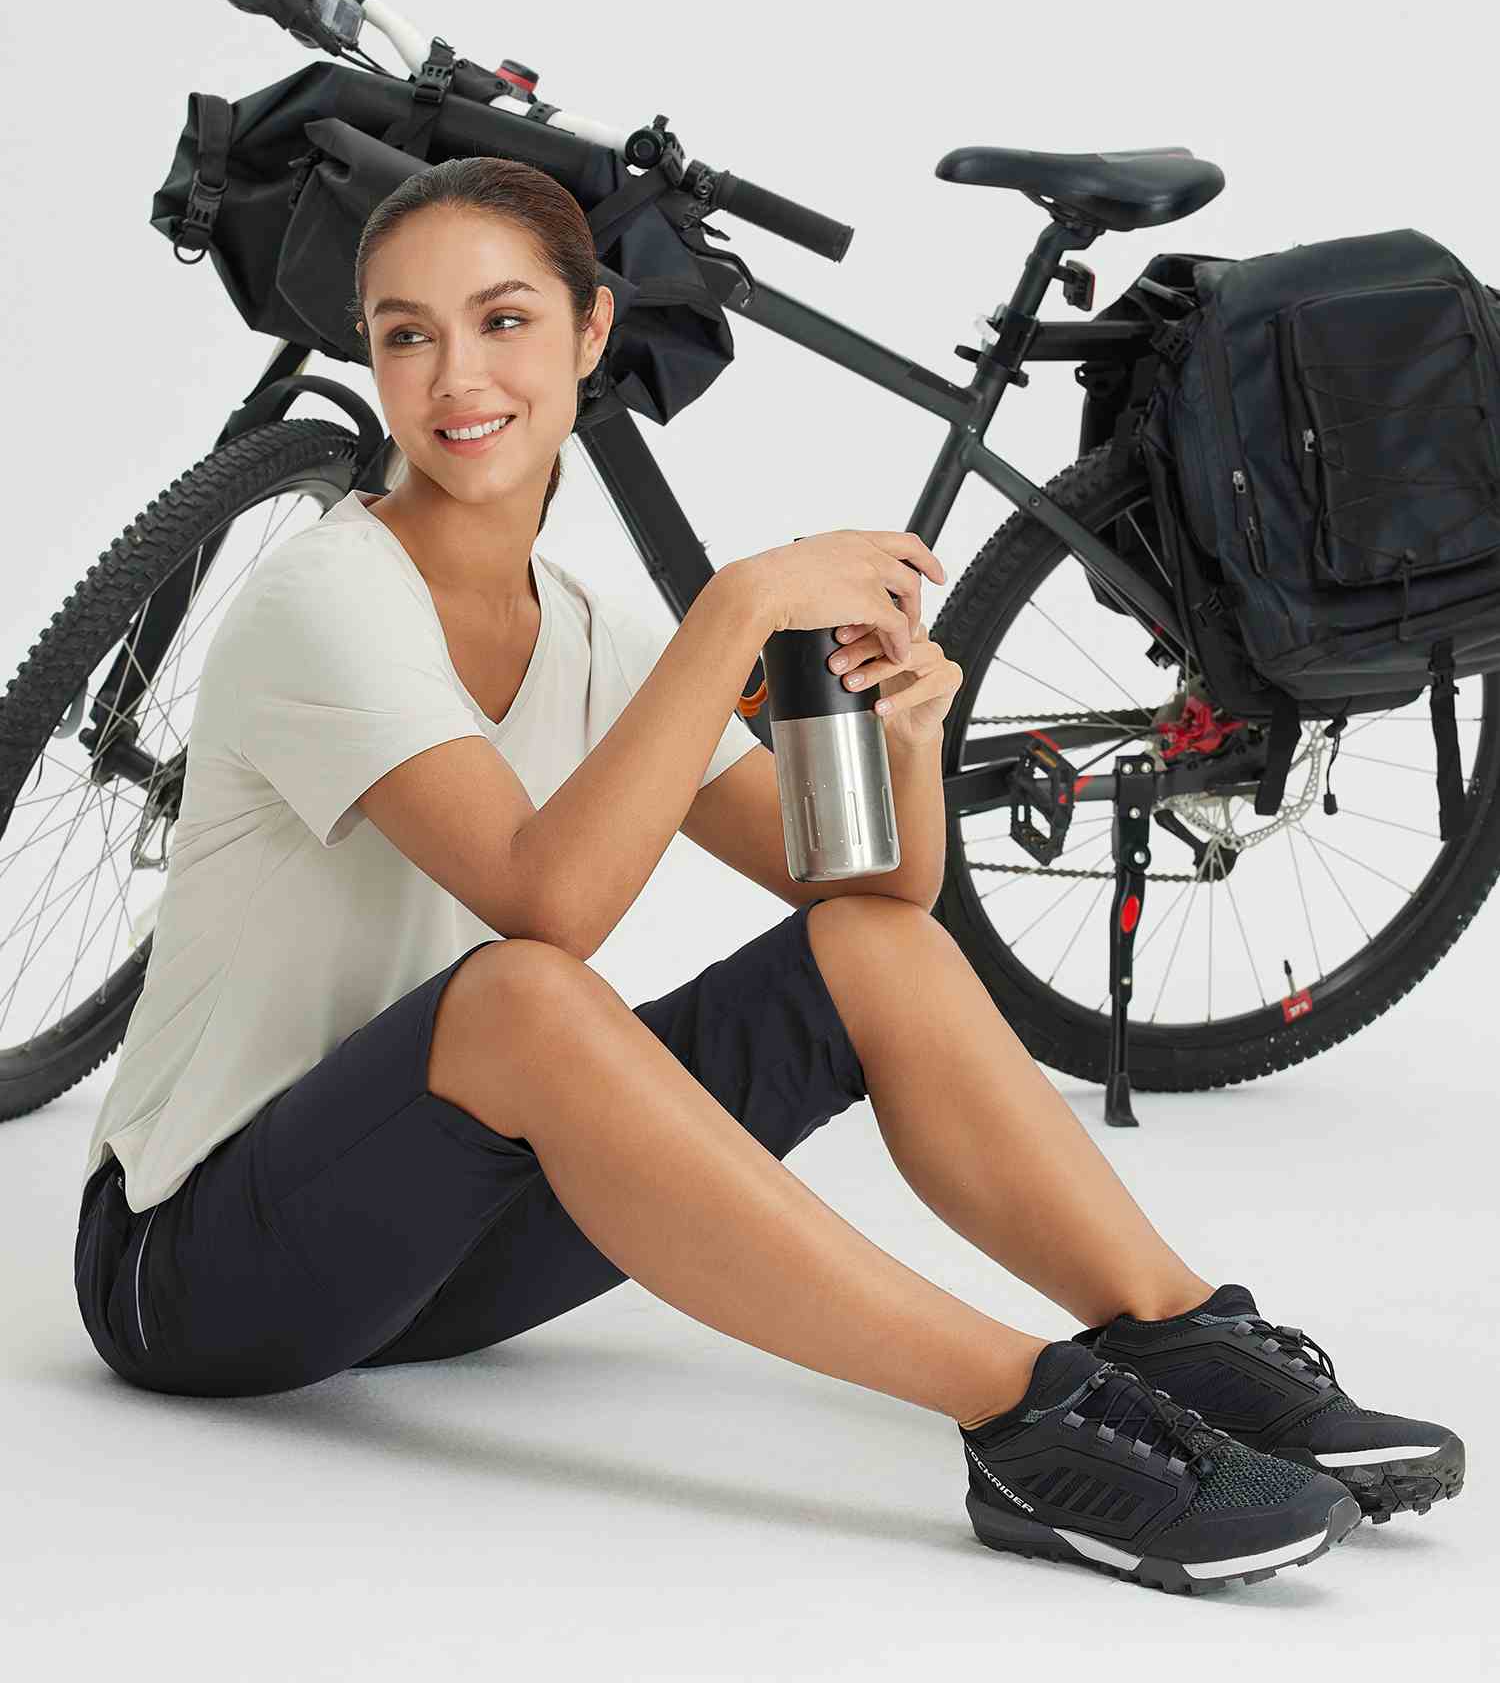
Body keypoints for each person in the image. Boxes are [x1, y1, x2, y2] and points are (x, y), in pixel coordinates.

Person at [74, 156, 1464, 1597]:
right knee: (526, 997)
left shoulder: (587, 627)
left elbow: (874, 901)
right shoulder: (328, 595)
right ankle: (1030, 1420)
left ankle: (1174, 1331)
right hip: (192, 1273)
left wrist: (907, 739)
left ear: (591, 332)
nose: (455, 376)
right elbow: (542, 904)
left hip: (434, 1247)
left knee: (871, 961)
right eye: (406, 334)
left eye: (502, 320)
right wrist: (738, 608)